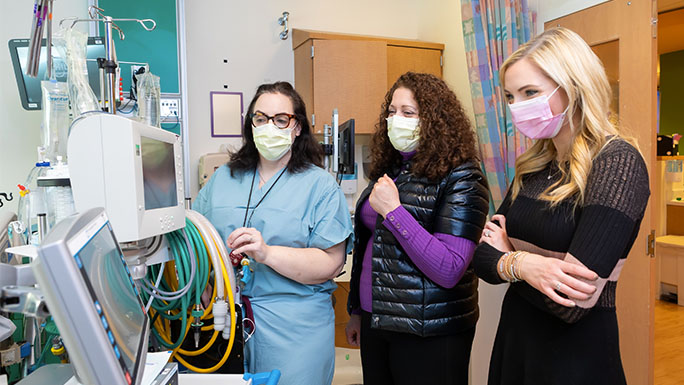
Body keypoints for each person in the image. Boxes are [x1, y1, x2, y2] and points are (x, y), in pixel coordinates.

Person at [473, 27, 650, 385]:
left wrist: (509, 257)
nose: (517, 107)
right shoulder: (534, 164)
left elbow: (571, 304)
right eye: (510, 96)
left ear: (574, 87)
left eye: (530, 92)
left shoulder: (617, 163)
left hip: (574, 358)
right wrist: (526, 265)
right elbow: (480, 258)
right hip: (516, 342)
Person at [193, 82, 353, 385]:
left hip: (295, 331)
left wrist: (267, 254)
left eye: (281, 119)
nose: (270, 126)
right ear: (250, 123)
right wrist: (206, 289)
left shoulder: (319, 185)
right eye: (261, 118)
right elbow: (196, 243)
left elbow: (331, 262)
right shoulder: (223, 178)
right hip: (225, 325)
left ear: (296, 127)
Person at [345, 72, 489, 385]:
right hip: (376, 320)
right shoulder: (393, 169)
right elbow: (372, 242)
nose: (396, 119)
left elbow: (449, 268)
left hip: (428, 329)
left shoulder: (463, 177)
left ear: (436, 120)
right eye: (392, 112)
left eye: (408, 113)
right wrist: (357, 309)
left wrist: (395, 212)